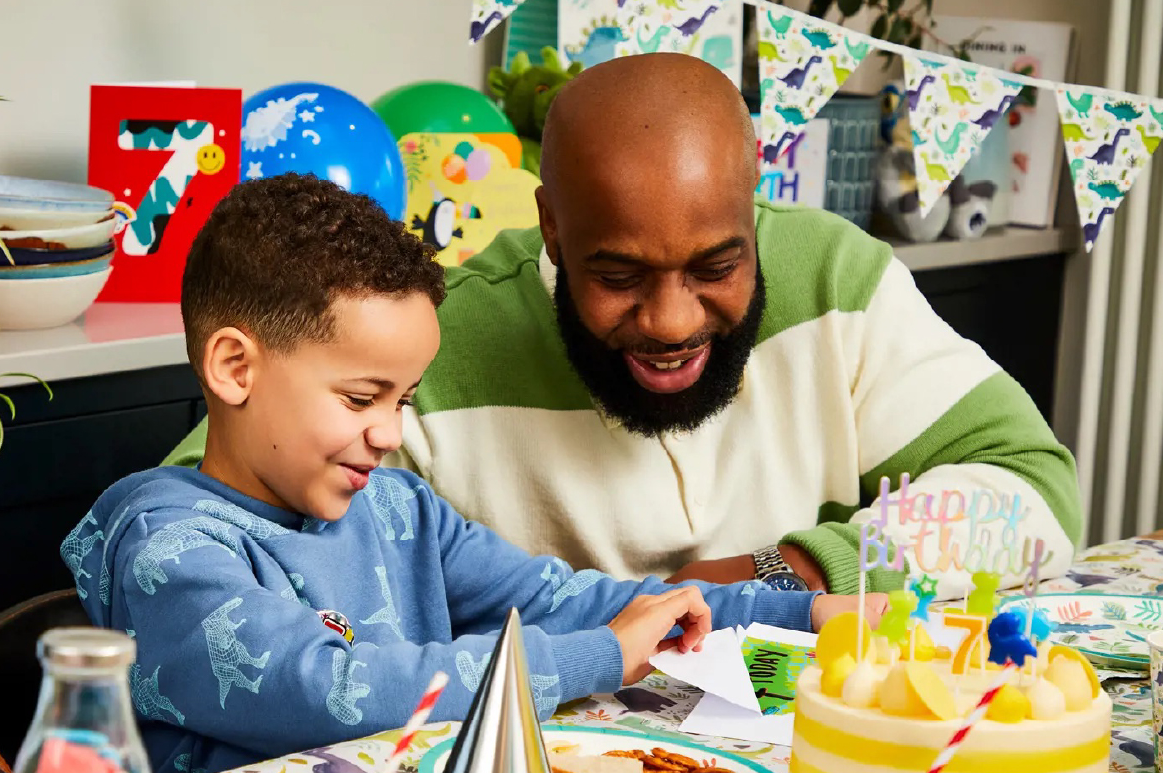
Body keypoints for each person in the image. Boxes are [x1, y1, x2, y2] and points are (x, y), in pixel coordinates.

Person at [166, 54, 1081, 602]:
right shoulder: (434, 341)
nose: (673, 321)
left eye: (717, 266)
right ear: (552, 228)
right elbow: (190, 523)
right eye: (618, 276)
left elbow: (1036, 492)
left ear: (753, 206)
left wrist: (789, 568)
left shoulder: (837, 278)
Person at [64, 173, 883, 773]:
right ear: (236, 368)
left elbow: (567, 599)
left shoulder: (396, 509)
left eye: (405, 398)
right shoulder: (166, 549)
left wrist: (803, 612)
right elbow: (329, 691)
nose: (388, 432)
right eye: (360, 397)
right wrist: (597, 657)